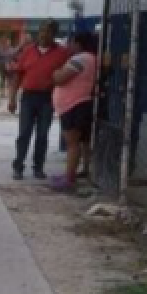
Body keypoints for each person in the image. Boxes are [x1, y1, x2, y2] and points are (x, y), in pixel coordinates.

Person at [8, 20, 70, 180]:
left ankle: (38, 167)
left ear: (54, 34)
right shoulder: (28, 51)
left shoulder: (62, 53)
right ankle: (18, 166)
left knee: (42, 134)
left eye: (48, 31)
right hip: (28, 98)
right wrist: (12, 98)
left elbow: (69, 74)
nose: (44, 35)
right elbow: (17, 76)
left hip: (47, 99)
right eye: (42, 31)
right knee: (24, 133)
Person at [49, 31, 99, 192]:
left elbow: (60, 78)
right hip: (77, 104)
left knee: (72, 143)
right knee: (79, 142)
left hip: (73, 104)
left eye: (71, 42)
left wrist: (55, 72)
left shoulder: (80, 59)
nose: (69, 46)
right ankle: (73, 173)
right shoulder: (92, 58)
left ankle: (69, 178)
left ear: (78, 43)